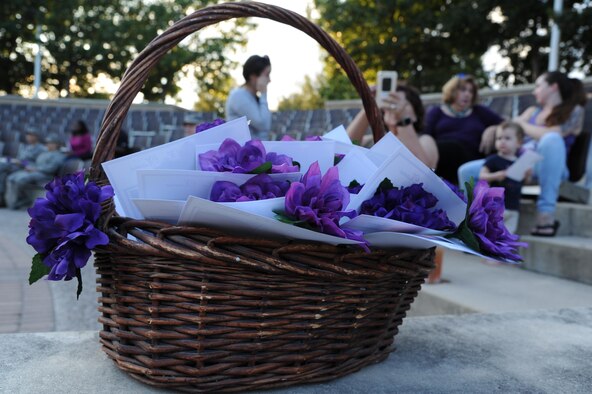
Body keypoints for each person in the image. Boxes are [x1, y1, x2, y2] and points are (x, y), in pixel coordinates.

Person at [458, 71, 585, 236]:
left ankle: (545, 217)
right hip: (518, 163)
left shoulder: (574, 110)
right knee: (467, 171)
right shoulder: (532, 111)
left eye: (539, 85)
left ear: (553, 87)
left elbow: (553, 134)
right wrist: (494, 128)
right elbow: (510, 127)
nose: (534, 91)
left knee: (552, 139)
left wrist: (522, 125)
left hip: (549, 167)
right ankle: (476, 222)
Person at [423, 74, 503, 184]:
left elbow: (506, 125)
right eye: (463, 90)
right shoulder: (436, 112)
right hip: (442, 162)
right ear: (452, 91)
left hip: (471, 160)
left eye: (471, 91)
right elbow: (424, 136)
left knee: (455, 148)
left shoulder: (479, 111)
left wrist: (494, 128)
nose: (467, 94)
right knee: (448, 147)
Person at [347, 83, 438, 169]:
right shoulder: (373, 140)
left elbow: (425, 171)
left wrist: (403, 119)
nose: (394, 107)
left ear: (415, 114)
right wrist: (369, 106)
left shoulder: (425, 140)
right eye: (390, 102)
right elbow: (343, 149)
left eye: (403, 104)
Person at [479, 121, 526, 233]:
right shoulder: (493, 160)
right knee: (494, 233)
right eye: (499, 138)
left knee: (508, 236)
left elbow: (523, 182)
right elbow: (482, 176)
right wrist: (496, 175)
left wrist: (527, 175)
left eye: (507, 138)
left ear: (519, 143)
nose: (502, 141)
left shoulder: (520, 163)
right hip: (497, 206)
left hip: (514, 207)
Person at [5, 133, 65, 210]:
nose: (48, 145)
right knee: (11, 177)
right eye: (47, 143)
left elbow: (51, 168)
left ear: (56, 144)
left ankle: (22, 200)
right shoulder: (44, 153)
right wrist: (30, 167)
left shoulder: (59, 155)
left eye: (51, 143)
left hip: (46, 175)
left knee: (20, 180)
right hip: (35, 172)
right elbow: (36, 163)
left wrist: (35, 169)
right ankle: (13, 200)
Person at [225, 55, 272, 139]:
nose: (269, 80)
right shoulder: (238, 96)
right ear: (253, 76)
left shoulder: (254, 97)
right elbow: (263, 125)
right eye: (266, 75)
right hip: (244, 151)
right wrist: (264, 94)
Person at [0, 128, 46, 206]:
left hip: (28, 168)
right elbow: (20, 158)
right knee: (3, 174)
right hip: (18, 165)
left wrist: (22, 162)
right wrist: (16, 161)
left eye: (31, 135)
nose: (29, 137)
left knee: (2, 167)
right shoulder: (25, 147)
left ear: (36, 136)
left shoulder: (41, 148)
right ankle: (2, 198)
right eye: (28, 135)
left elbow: (38, 162)